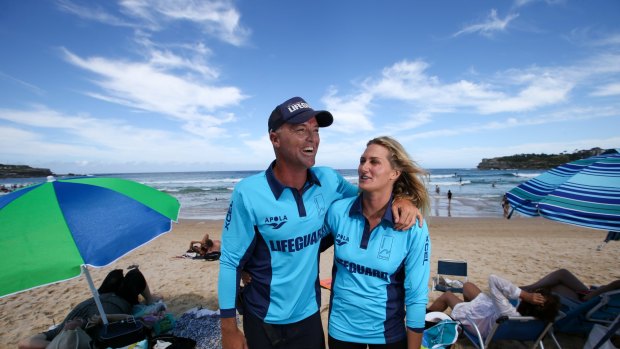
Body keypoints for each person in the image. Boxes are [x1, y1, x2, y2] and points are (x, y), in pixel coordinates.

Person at [218, 96, 423, 349]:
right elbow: (230, 261)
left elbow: (370, 198)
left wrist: (402, 199)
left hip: (309, 316)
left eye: (315, 130)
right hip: (262, 316)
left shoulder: (328, 180)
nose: (312, 138)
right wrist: (228, 328)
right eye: (300, 130)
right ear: (275, 139)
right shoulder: (248, 193)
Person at [324, 136, 431, 349]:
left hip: (388, 336)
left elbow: (416, 295)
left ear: (395, 173)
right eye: (362, 160)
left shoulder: (412, 226)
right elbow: (302, 244)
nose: (364, 167)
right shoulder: (338, 212)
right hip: (340, 332)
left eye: (374, 162)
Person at [18, 267, 158, 349]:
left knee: (116, 274)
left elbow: (24, 343)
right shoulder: (93, 338)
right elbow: (130, 320)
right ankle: (150, 299)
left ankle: (150, 299)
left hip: (100, 295)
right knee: (134, 275)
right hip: (121, 300)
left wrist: (62, 343)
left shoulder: (63, 331)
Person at [426, 274, 560, 338]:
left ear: (532, 302)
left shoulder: (508, 311)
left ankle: (425, 320)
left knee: (447, 295)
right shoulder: (537, 318)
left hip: (481, 321)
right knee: (468, 286)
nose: (532, 294)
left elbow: (493, 279)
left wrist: (525, 295)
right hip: (491, 313)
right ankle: (465, 305)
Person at [520, 268, 620, 303]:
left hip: (588, 301)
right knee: (561, 274)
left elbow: (588, 298)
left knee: (555, 284)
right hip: (592, 296)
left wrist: (598, 291)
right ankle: (526, 289)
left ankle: (525, 290)